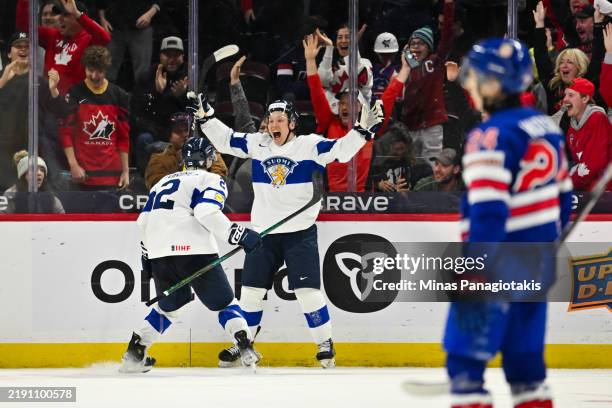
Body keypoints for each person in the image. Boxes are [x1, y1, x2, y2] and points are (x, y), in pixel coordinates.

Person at [187, 89, 384, 368]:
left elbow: (340, 151)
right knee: (252, 293)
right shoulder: (259, 144)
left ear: (292, 123)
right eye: (270, 119)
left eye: (280, 119)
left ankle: (324, 344)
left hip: (299, 234)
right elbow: (227, 140)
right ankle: (244, 344)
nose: (273, 124)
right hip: (263, 234)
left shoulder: (309, 146)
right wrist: (206, 118)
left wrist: (362, 131)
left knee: (307, 293)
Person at [442, 38, 573, 408]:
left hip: (496, 263)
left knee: (465, 362)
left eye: (476, 77)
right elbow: (564, 199)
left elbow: (488, 212)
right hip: (536, 261)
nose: (469, 84)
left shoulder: (490, 134)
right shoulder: (545, 127)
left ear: (495, 83)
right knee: (526, 365)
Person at [119, 136, 262, 373]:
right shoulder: (211, 178)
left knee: (168, 307)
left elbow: (143, 221)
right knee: (225, 304)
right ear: (207, 159)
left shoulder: (161, 183)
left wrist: (147, 257)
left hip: (159, 252)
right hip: (194, 251)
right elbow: (205, 211)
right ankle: (245, 346)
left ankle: (135, 352)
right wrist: (237, 234)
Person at [306, 32, 407, 192]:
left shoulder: (371, 127)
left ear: (361, 107)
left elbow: (389, 96)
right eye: (342, 103)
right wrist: (310, 60)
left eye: (351, 103)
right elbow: (316, 92)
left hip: (364, 206)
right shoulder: (328, 123)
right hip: (331, 204)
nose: (345, 107)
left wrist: (406, 69)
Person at [58, 45, 130, 190]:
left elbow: (123, 137)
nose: (94, 76)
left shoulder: (119, 95)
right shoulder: (75, 93)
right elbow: (65, 132)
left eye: (100, 71)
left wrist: (126, 171)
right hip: (82, 175)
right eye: (90, 70)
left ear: (106, 70)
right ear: (85, 68)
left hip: (111, 176)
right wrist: (73, 165)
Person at [16, 0, 111, 95]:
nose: (60, 19)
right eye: (60, 15)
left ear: (79, 19)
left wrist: (77, 14)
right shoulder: (53, 35)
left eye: (66, 15)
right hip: (48, 99)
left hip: (74, 102)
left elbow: (105, 38)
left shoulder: (89, 39)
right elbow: (24, 25)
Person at [400, 0, 455, 162]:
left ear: (429, 47)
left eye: (421, 44)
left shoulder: (435, 62)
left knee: (432, 167)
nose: (416, 47)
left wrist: (449, 6)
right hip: (410, 126)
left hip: (432, 124)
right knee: (412, 167)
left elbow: (447, 37)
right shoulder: (405, 68)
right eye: (413, 44)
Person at [131, 36, 188, 171]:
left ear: (183, 57)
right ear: (160, 56)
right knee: (143, 138)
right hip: (154, 131)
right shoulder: (147, 77)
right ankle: (145, 179)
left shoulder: (190, 77)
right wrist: (157, 93)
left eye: (176, 55)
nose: (172, 59)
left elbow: (199, 112)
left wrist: (183, 97)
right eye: (167, 55)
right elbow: (137, 112)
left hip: (182, 132)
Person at [144, 112, 227, 190]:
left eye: (187, 130)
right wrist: (181, 166)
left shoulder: (207, 150)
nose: (184, 135)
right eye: (178, 131)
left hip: (203, 200)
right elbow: (154, 183)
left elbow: (220, 174)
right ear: (169, 136)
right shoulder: (159, 158)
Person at [562, 78, 612, 191]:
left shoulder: (597, 119)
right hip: (590, 188)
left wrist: (564, 186)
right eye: (565, 95)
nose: (565, 99)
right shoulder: (572, 127)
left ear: (585, 98)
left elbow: (592, 167)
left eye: (570, 95)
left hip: (605, 192)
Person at [97, 0, 160, 84]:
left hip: (141, 28)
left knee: (142, 73)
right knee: (107, 69)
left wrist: (150, 13)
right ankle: (104, 95)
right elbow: (100, 3)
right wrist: (102, 19)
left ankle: (142, 96)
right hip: (113, 28)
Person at [371, 32, 400, 103]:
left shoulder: (399, 71)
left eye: (389, 54)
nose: (386, 58)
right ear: (377, 53)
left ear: (395, 53)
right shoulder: (371, 69)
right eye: (382, 54)